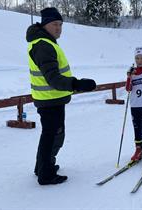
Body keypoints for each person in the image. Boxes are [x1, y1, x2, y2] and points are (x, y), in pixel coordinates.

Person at [26, 7, 96, 185]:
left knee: (51, 135)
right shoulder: (43, 45)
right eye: (54, 24)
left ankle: (43, 166)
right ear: (45, 25)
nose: (58, 28)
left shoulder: (46, 42)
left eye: (60, 24)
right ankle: (46, 174)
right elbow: (53, 78)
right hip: (49, 99)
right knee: (53, 136)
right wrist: (77, 84)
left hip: (52, 98)